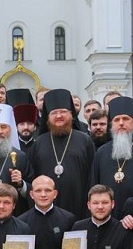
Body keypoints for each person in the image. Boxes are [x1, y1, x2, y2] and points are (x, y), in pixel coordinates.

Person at [29, 89, 95, 218]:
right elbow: (33, 177)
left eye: (63, 112)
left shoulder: (84, 140)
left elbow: (92, 176)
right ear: (48, 117)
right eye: (54, 113)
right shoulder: (39, 143)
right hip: (45, 210)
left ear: (71, 115)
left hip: (79, 207)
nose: (59, 116)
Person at [91, 97, 133, 217]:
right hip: (109, 216)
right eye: (117, 120)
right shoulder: (102, 152)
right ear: (111, 125)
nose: (121, 123)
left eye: (125, 119)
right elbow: (95, 185)